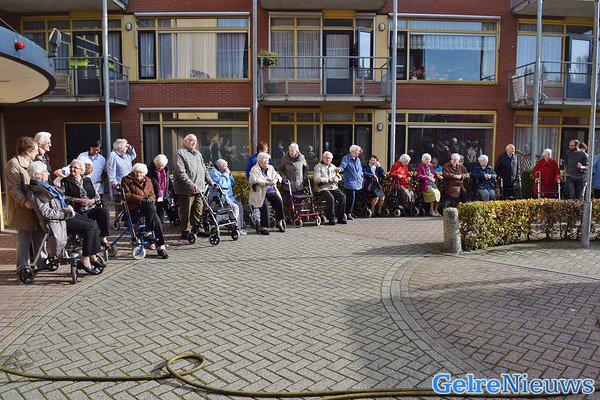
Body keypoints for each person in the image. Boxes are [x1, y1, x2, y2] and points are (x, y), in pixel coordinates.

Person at [28, 161, 103, 275]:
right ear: (37, 174)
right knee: (90, 226)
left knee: (93, 224)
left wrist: (68, 206)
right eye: (45, 171)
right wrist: (66, 212)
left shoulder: (44, 187)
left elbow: (60, 199)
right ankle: (85, 259)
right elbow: (46, 212)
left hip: (64, 216)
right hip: (56, 221)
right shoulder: (36, 191)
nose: (48, 173)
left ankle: (91, 256)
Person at [4, 137, 44, 273]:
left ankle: (42, 263)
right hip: (22, 210)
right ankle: (22, 268)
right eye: (36, 150)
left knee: (39, 235)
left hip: (35, 208)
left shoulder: (32, 163)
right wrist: (25, 202)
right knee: (24, 240)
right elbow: (13, 189)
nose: (38, 152)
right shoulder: (13, 164)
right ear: (28, 151)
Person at [61, 159, 111, 250]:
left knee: (104, 213)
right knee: (89, 224)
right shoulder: (65, 181)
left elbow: (96, 195)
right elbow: (63, 197)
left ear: (81, 170)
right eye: (71, 167)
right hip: (78, 209)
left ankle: (103, 237)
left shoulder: (87, 180)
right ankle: (89, 245)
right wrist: (77, 200)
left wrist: (91, 201)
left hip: (91, 207)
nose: (72, 169)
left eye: (75, 167)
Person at [121, 163, 168, 259]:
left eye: (141, 173)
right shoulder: (126, 180)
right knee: (153, 211)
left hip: (148, 209)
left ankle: (158, 244)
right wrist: (141, 199)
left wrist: (151, 199)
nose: (139, 174)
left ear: (144, 173)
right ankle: (158, 244)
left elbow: (153, 195)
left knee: (156, 219)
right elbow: (127, 196)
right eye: (137, 172)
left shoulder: (148, 181)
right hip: (134, 208)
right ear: (133, 172)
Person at [173, 134, 216, 240]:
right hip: (186, 189)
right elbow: (180, 172)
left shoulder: (198, 153)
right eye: (191, 140)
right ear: (185, 141)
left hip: (199, 187)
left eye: (195, 141)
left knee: (198, 210)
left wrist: (211, 182)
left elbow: (204, 169)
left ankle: (198, 229)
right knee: (186, 211)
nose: (193, 143)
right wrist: (190, 184)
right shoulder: (180, 153)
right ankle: (186, 231)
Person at [248, 152, 286, 235]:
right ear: (260, 162)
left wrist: (275, 180)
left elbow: (277, 175)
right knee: (264, 206)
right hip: (260, 193)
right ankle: (264, 227)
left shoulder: (270, 167)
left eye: (268, 161)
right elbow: (253, 179)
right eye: (266, 161)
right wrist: (266, 182)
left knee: (279, 202)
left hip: (271, 191)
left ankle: (279, 223)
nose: (268, 162)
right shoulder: (254, 169)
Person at [210, 158, 247, 235]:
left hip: (229, 197)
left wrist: (229, 175)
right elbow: (221, 184)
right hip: (220, 198)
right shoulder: (214, 172)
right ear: (220, 167)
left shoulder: (224, 172)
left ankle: (240, 227)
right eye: (225, 166)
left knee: (240, 206)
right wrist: (225, 174)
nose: (227, 168)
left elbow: (232, 183)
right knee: (235, 207)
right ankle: (235, 227)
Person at [313, 151, 347, 225]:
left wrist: (337, 178)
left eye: (329, 158)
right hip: (322, 188)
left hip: (333, 187)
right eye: (326, 158)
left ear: (331, 159)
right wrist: (328, 179)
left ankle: (341, 218)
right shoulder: (318, 167)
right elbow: (316, 179)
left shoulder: (333, 166)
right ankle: (332, 218)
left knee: (343, 197)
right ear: (323, 158)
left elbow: (338, 176)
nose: (328, 159)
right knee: (330, 197)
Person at [147, 154, 175, 223]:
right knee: (154, 219)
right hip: (153, 197)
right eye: (159, 165)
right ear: (154, 163)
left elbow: (168, 183)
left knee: (161, 219)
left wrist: (169, 194)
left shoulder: (166, 170)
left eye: (162, 166)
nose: (161, 167)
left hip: (163, 197)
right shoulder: (148, 170)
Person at [279, 143, 308, 210]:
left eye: (293, 151)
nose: (291, 152)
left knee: (298, 203)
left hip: (299, 185)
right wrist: (284, 177)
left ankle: (298, 214)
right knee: (289, 203)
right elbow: (280, 170)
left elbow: (306, 168)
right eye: (290, 150)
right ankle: (290, 215)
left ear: (297, 151)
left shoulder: (301, 157)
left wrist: (304, 177)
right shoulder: (284, 158)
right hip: (288, 185)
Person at [339, 145, 363, 220]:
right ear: (353, 151)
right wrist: (339, 169)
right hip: (350, 181)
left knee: (356, 198)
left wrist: (362, 176)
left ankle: (352, 212)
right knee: (351, 197)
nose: (359, 152)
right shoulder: (346, 158)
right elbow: (342, 166)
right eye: (358, 151)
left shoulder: (358, 160)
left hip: (358, 181)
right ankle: (348, 213)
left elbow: (360, 169)